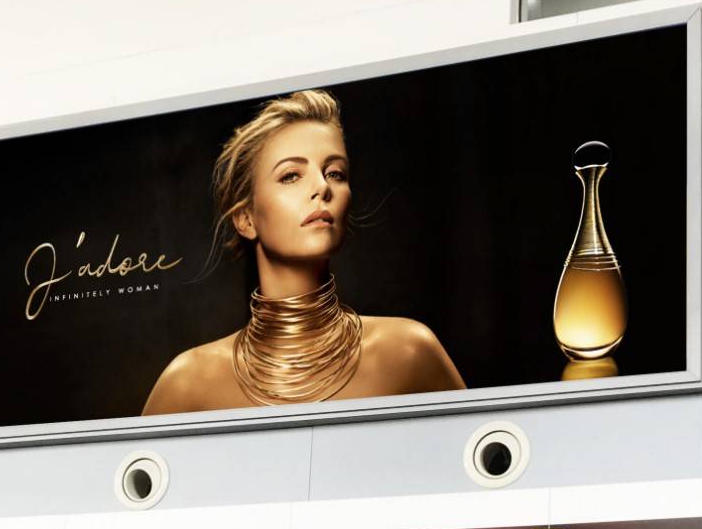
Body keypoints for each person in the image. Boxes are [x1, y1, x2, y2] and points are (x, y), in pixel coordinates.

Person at [142, 89, 465, 415]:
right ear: (246, 219)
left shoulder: (409, 353)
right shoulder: (188, 383)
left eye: (335, 173)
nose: (322, 187)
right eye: (291, 176)